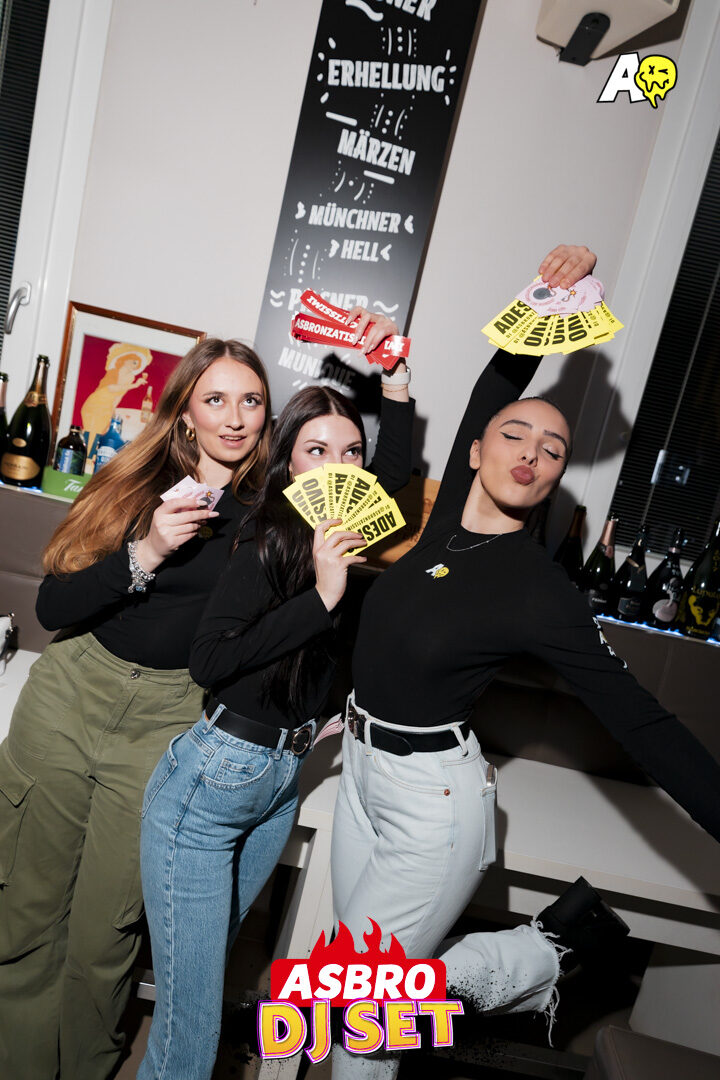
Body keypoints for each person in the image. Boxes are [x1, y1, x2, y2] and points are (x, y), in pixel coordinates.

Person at [329, 244, 720, 1078]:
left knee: (350, 1017)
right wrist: (548, 295)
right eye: (515, 435)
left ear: (554, 479)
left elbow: (642, 721)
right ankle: (546, 950)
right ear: (476, 450)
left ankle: (524, 961)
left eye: (553, 450)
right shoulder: (445, 526)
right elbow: (499, 379)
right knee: (357, 997)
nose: (532, 453)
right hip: (360, 774)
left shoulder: (541, 592)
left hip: (431, 806)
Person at [137, 324, 413, 1080]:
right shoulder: (268, 537)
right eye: (316, 450)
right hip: (213, 779)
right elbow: (211, 660)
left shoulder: (342, 537)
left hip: (279, 783)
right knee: (192, 1036)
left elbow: (397, 475)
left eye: (351, 453)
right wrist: (320, 598)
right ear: (289, 460)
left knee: (203, 986)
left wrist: (395, 384)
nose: (338, 467)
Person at [0, 338, 273, 1080]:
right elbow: (53, 605)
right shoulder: (133, 483)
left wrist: (395, 390)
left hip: (169, 720)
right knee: (26, 915)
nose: (234, 417)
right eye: (215, 399)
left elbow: (370, 490)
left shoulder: (270, 515)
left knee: (106, 935)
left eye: (250, 400)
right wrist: (146, 551)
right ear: (185, 412)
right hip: (72, 697)